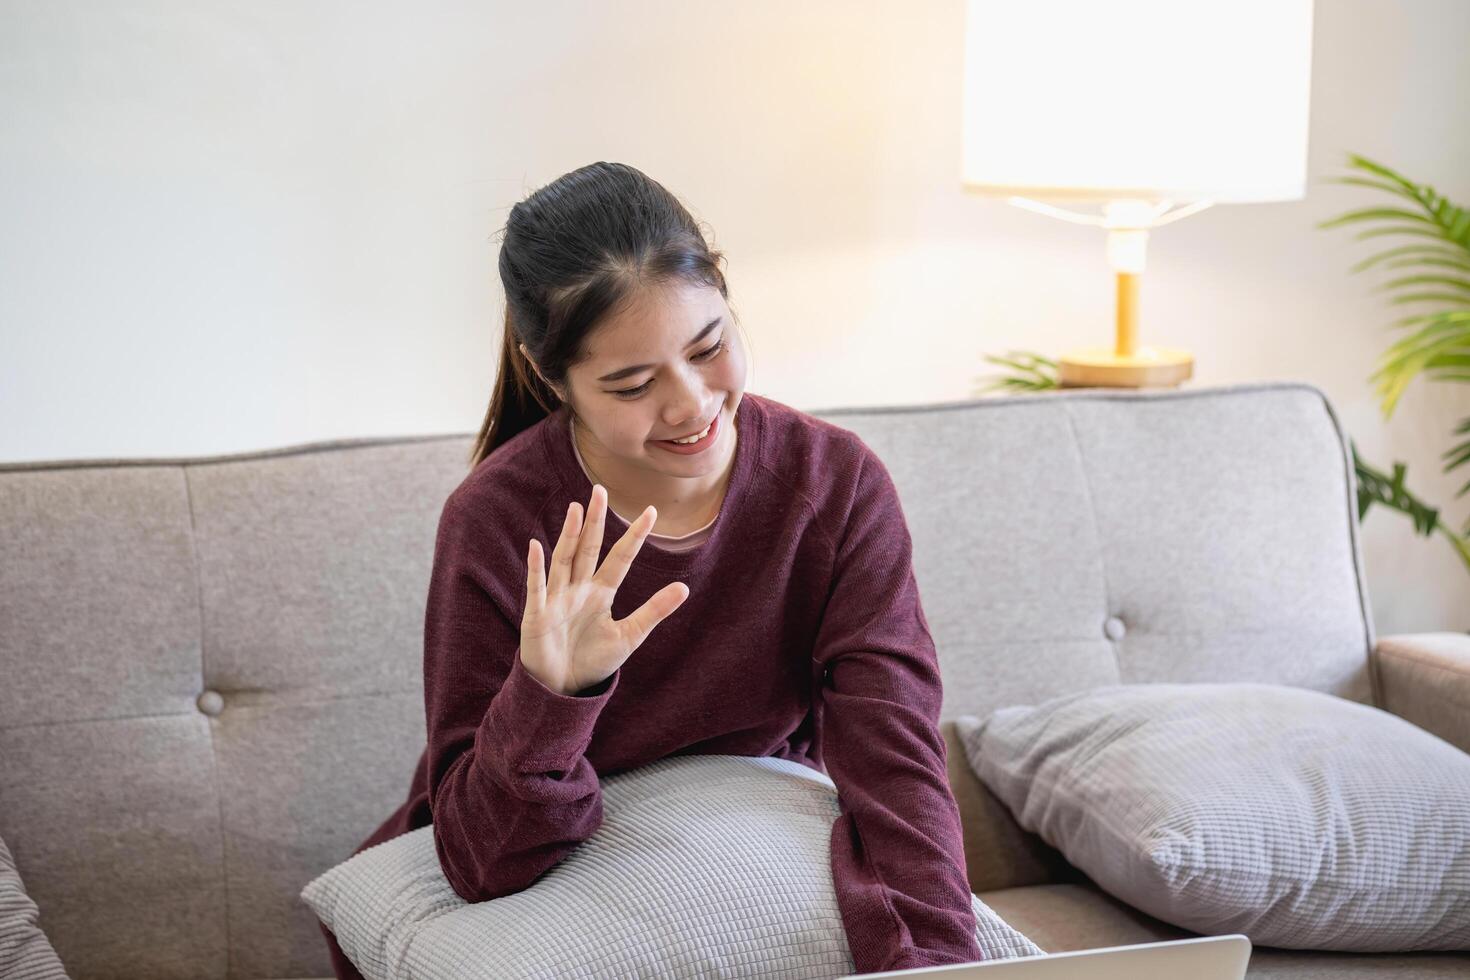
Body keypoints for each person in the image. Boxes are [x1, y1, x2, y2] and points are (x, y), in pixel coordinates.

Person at [319, 161, 982, 978]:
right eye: (632, 383)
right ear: (547, 376)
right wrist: (553, 695)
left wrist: (945, 967)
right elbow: (485, 862)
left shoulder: (832, 484)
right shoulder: (497, 522)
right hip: (537, 857)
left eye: (710, 348)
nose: (690, 405)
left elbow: (895, 760)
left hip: (747, 825)